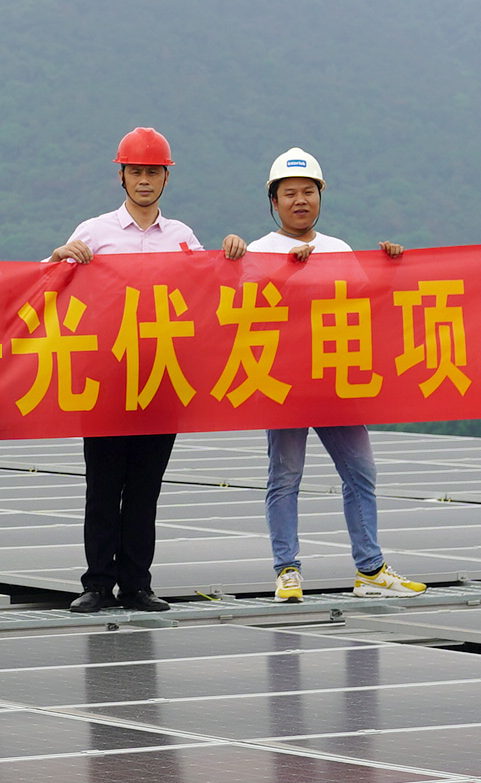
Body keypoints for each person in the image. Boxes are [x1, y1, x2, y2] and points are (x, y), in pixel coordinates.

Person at [219, 147, 423, 602]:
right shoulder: (260, 250)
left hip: (336, 379)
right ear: (274, 201)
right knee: (285, 476)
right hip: (284, 382)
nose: (300, 200)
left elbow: (365, 306)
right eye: (289, 193)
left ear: (320, 195)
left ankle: (370, 569)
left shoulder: (339, 249)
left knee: (361, 471)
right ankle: (287, 570)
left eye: (308, 191)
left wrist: (390, 267)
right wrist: (285, 272)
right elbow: (245, 310)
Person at [46, 127, 199, 613]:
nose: (144, 180)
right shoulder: (94, 232)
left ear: (166, 178)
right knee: (103, 486)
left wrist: (235, 252)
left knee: (145, 489)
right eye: (136, 171)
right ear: (122, 176)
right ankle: (97, 583)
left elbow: (212, 291)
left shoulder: (182, 238)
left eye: (153, 172)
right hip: (106, 379)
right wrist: (58, 257)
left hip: (160, 378)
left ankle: (136, 584)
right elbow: (47, 283)